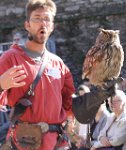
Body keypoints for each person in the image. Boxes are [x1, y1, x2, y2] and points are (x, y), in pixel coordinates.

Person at [0, 0, 118, 149]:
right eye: (37, 18)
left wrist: (98, 95)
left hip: (57, 142)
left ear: (52, 27)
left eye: (47, 19)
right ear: (27, 25)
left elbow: (70, 105)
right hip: (25, 142)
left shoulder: (58, 64)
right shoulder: (11, 58)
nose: (42, 23)